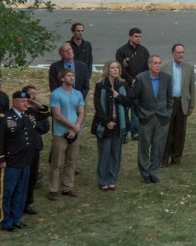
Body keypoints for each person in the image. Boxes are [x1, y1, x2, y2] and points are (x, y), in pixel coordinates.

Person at [0, 91, 50, 232]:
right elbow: (1, 140)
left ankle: (16, 218)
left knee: (21, 191)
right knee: (8, 192)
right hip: (11, 161)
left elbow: (46, 113)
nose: (26, 104)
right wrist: (1, 159)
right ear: (15, 102)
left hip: (25, 160)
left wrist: (37, 104)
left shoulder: (28, 113)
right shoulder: (6, 118)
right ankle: (5, 221)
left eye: (27, 101)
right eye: (23, 101)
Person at [91, 60, 132, 191]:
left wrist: (118, 95)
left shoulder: (123, 85)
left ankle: (112, 179)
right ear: (107, 70)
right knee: (104, 154)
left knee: (116, 154)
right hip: (105, 125)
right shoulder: (100, 86)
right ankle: (103, 180)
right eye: (112, 68)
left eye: (117, 68)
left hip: (119, 125)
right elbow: (98, 106)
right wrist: (106, 122)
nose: (115, 70)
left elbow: (129, 102)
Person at [132, 55, 173, 184]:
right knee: (144, 147)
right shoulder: (141, 78)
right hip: (146, 118)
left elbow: (169, 98)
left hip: (162, 119)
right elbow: (135, 99)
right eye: (155, 63)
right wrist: (140, 113)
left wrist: (168, 112)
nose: (158, 65)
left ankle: (153, 172)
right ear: (149, 65)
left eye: (159, 63)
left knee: (158, 147)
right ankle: (144, 173)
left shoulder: (167, 79)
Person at [48, 69, 85, 200]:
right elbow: (57, 115)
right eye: (69, 76)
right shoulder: (56, 94)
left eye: (73, 75)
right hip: (60, 133)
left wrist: (76, 128)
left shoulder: (78, 94)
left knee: (71, 161)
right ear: (62, 78)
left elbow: (81, 112)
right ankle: (53, 189)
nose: (72, 78)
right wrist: (72, 126)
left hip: (74, 132)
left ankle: (67, 187)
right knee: (56, 162)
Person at [161, 44, 196, 167]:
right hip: (169, 103)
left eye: (183, 52)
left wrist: (191, 105)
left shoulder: (189, 67)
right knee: (167, 131)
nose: (181, 55)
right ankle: (164, 158)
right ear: (173, 53)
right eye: (178, 52)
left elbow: (192, 87)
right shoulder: (165, 67)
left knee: (180, 132)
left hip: (183, 102)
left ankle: (176, 157)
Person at [116, 27, 150, 141]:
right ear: (130, 37)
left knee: (136, 108)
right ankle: (124, 133)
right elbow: (120, 68)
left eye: (140, 37)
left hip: (139, 85)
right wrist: (131, 80)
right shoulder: (122, 51)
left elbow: (147, 68)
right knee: (125, 108)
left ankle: (135, 132)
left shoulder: (144, 51)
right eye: (136, 36)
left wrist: (140, 81)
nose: (138, 39)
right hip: (125, 84)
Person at [21, 85, 50, 215]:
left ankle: (27, 203)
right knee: (23, 178)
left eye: (35, 93)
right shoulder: (20, 110)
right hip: (22, 149)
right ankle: (19, 203)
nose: (33, 96)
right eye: (30, 94)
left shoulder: (38, 111)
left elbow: (45, 126)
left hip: (35, 147)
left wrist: (35, 124)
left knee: (32, 177)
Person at [68, 23, 94, 97]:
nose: (80, 33)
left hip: (83, 80)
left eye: (82, 31)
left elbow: (89, 61)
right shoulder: (68, 45)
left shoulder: (87, 45)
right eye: (78, 31)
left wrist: (87, 76)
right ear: (73, 32)